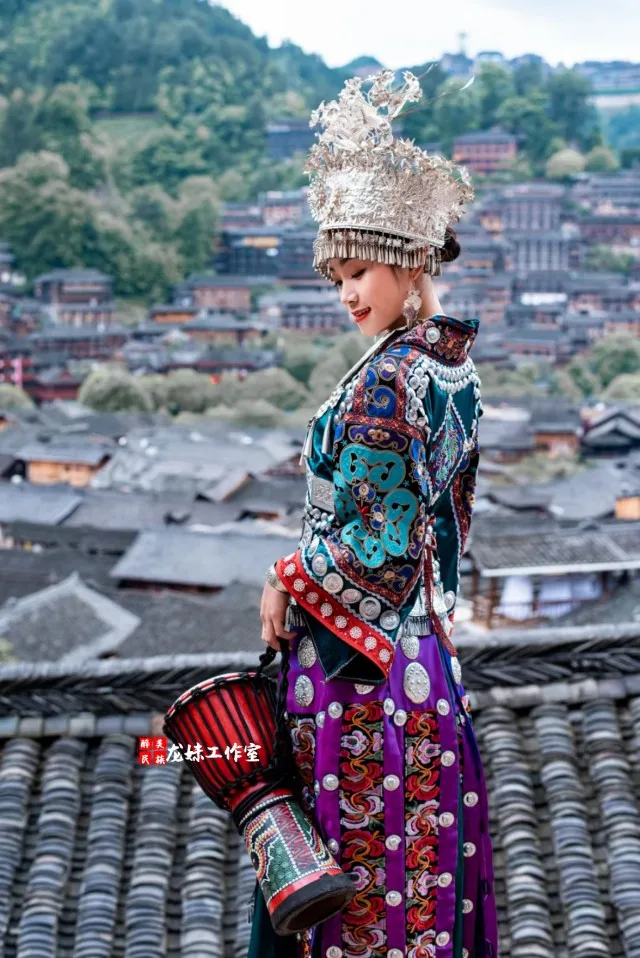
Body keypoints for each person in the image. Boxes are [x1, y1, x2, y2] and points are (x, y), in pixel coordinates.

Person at [252, 69, 498, 958]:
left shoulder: (386, 385)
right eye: (337, 278)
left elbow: (379, 546)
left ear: (404, 264)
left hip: (360, 673)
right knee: (418, 889)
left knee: (354, 895)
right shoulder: (447, 368)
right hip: (425, 660)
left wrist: (285, 574)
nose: (347, 295)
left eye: (357, 272)